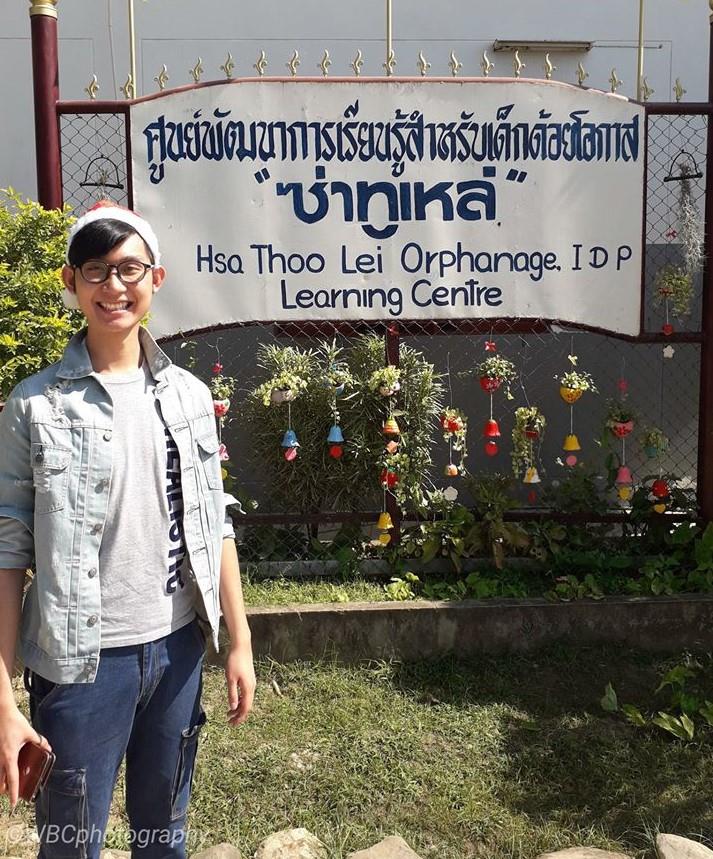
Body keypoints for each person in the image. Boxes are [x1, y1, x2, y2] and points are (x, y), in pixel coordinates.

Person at [0, 202, 256, 858]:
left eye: (129, 269)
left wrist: (240, 640)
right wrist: (2, 698)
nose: (113, 285)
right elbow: (8, 554)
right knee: (70, 842)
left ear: (156, 279)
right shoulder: (34, 405)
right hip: (78, 665)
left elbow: (215, 519)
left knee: (164, 835)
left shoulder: (189, 396)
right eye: (95, 270)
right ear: (71, 282)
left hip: (176, 651)